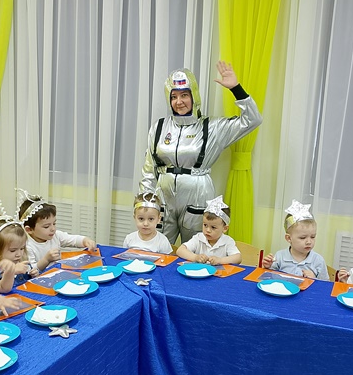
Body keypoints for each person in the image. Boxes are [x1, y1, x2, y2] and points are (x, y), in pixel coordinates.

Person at [139, 61, 263, 245]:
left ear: (194, 96)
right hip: (163, 196)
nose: (179, 102)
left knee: (196, 249)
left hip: (198, 194)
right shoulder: (159, 127)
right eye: (174, 96)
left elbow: (253, 120)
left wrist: (236, 89)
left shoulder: (212, 127)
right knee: (156, 246)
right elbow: (149, 169)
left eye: (184, 95)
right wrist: (146, 202)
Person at [18, 191, 97, 272]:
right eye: (46, 226)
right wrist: (46, 260)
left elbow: (73, 240)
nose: (53, 229)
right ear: (29, 230)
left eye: (54, 223)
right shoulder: (26, 246)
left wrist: (86, 241)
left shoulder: (55, 235)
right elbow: (30, 271)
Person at [262, 201, 330, 280]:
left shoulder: (318, 261)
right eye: (303, 238)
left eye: (312, 237)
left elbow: (326, 285)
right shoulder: (280, 256)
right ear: (289, 238)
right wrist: (267, 267)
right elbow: (270, 278)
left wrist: (314, 279)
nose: (309, 242)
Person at [176, 196, 241, 265]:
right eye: (205, 225)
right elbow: (180, 250)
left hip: (218, 272)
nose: (208, 230)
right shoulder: (199, 238)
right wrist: (195, 257)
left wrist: (220, 260)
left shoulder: (227, 241)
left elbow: (238, 258)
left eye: (213, 227)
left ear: (224, 228)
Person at [0, 215, 39, 284]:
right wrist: (12, 271)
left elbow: (27, 281)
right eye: (13, 250)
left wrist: (33, 275)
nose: (19, 254)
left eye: (22, 248)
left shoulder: (20, 261)